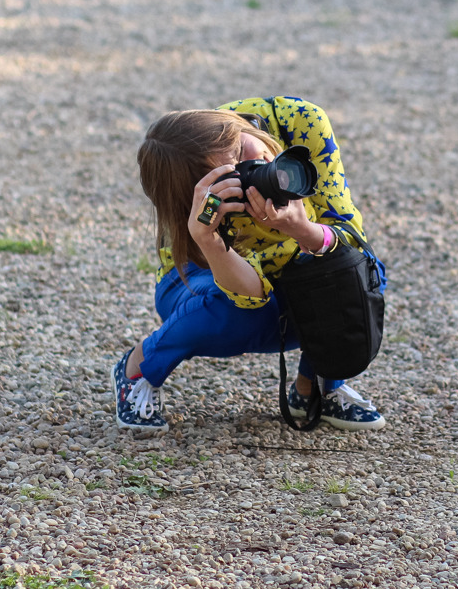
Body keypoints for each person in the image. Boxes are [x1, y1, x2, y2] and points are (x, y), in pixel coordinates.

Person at [113, 96, 386, 432]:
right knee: (236, 313)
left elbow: (351, 238)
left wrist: (304, 230)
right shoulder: (208, 198)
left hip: (292, 261)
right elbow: (250, 297)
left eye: (242, 150)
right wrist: (210, 240)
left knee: (358, 274)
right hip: (199, 276)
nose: (257, 164)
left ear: (242, 126)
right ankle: (138, 367)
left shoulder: (299, 122)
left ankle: (313, 388)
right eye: (237, 173)